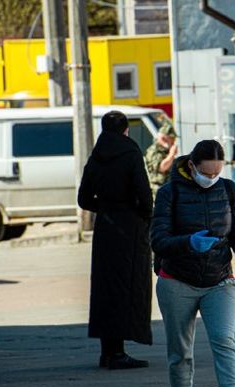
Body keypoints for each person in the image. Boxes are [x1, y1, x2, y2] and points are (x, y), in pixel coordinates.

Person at [151, 140, 235, 387]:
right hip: (177, 281)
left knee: (225, 340)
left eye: (217, 173)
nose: (212, 178)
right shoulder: (169, 193)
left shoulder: (228, 189)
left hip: (219, 280)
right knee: (181, 352)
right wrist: (189, 242)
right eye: (206, 173)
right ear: (191, 166)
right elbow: (158, 240)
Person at [78, 110, 153, 369]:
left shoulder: (95, 157)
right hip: (130, 229)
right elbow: (144, 194)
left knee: (106, 289)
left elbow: (83, 199)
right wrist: (144, 216)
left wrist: (105, 208)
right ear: (125, 130)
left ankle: (107, 352)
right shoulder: (131, 153)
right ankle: (118, 354)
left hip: (105, 230)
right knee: (128, 286)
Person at [145, 121, 179, 197]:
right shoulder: (154, 150)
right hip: (157, 191)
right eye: (171, 138)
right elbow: (161, 168)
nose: (173, 141)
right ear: (164, 138)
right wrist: (171, 154)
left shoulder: (165, 151)